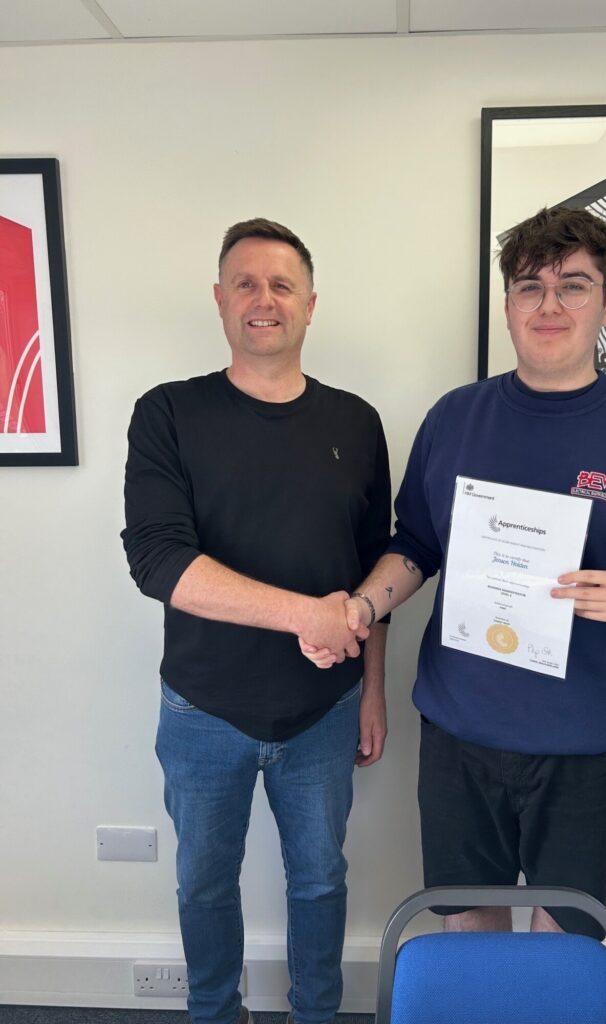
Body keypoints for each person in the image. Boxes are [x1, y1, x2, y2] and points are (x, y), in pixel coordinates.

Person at [302, 205, 606, 937]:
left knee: (561, 946)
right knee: (467, 932)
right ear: (508, 304)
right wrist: (361, 605)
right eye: (529, 287)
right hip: (460, 730)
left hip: (587, 740)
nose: (549, 306)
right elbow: (416, 544)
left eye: (573, 286)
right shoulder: (455, 419)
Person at [122, 218, 390, 1024]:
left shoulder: (357, 422)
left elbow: (374, 571)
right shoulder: (169, 413)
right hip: (203, 709)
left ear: (311, 303)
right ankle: (214, 1014)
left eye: (281, 284)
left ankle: (316, 1014)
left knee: (321, 881)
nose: (263, 299)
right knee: (203, 883)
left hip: (326, 711)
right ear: (219, 299)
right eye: (245, 283)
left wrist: (373, 691)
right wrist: (307, 614)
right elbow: (160, 563)